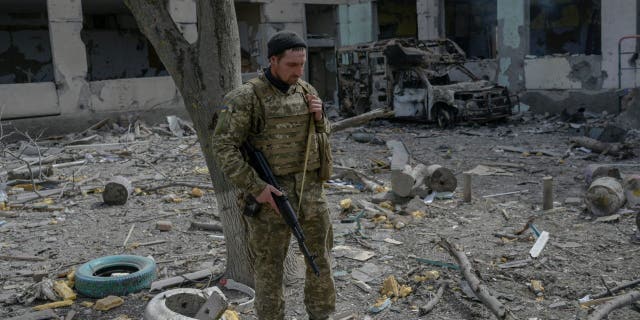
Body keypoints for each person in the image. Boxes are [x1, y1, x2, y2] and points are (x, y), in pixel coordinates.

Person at [211, 31, 335, 320]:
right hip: (271, 198)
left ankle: (322, 314)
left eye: (302, 64)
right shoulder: (246, 98)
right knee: (269, 269)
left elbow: (322, 137)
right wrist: (256, 187)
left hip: (311, 192)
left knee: (321, 261)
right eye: (292, 65)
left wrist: (320, 119)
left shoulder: (307, 92)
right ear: (273, 61)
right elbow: (223, 146)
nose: (299, 71)